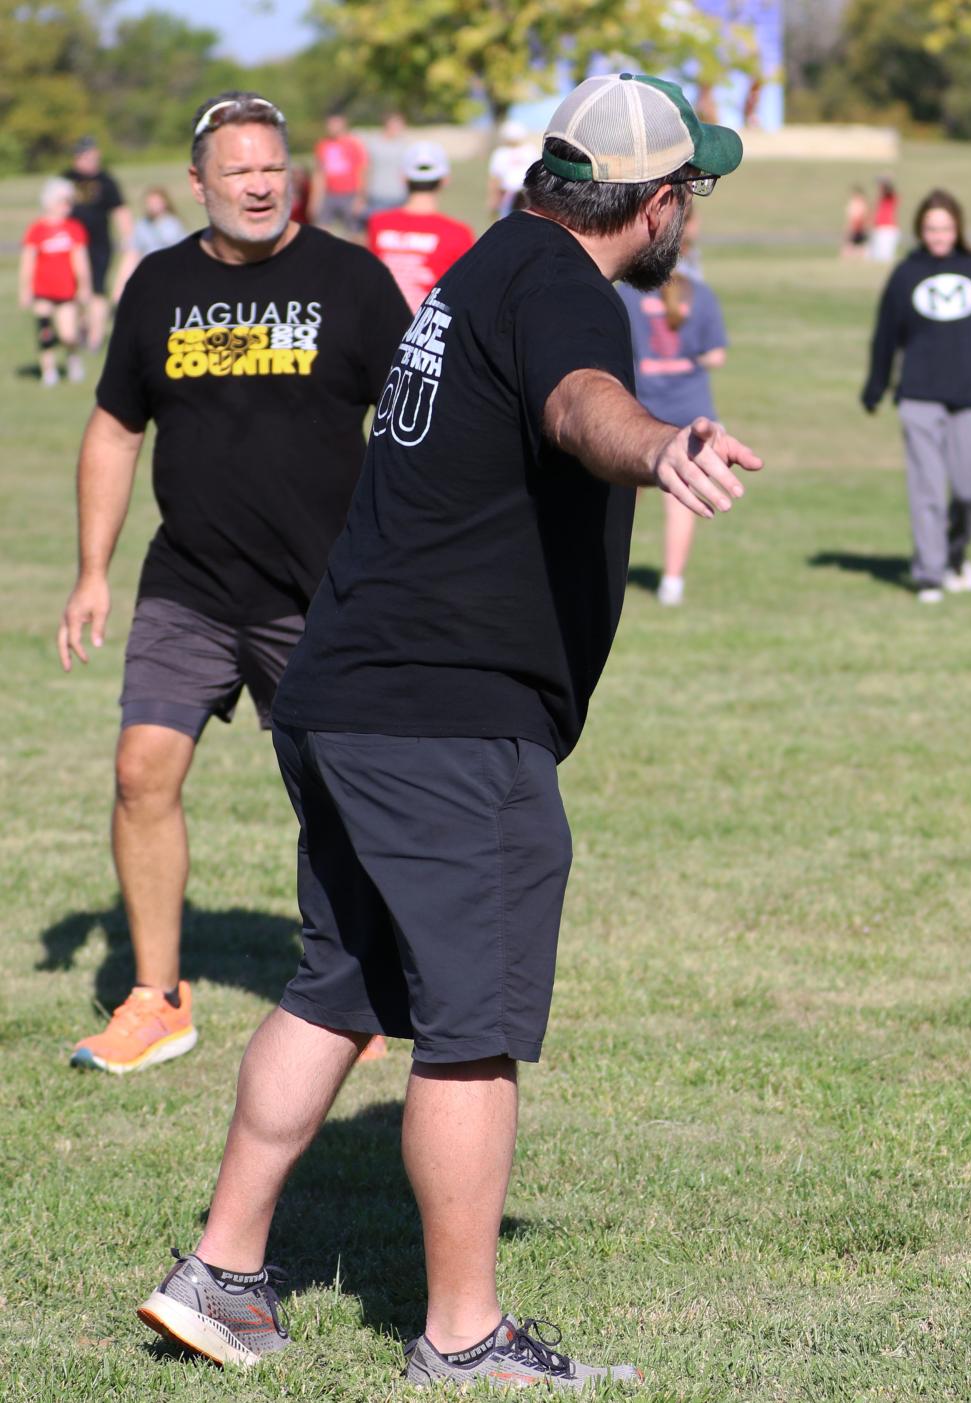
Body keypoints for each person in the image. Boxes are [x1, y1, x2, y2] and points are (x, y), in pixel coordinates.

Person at [132, 72, 761, 1385]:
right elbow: (582, 405)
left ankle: (224, 1270)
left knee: (341, 980)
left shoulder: (489, 264)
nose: (687, 215)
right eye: (686, 193)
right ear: (647, 204)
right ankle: (463, 1334)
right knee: (468, 1021)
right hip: (443, 717)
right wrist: (659, 449)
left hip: (350, 691)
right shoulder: (563, 291)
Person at [56, 91, 410, 1075]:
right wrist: (92, 571)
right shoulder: (159, 285)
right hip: (192, 582)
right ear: (198, 182)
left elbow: (417, 421)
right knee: (141, 770)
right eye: (239, 169)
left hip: (322, 589)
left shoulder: (352, 280)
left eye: (273, 166)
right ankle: (156, 996)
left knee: (346, 793)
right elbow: (117, 426)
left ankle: (357, 984)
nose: (260, 184)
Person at [862, 189, 971, 602]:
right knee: (927, 488)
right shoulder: (905, 274)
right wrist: (876, 388)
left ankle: (955, 554)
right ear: (920, 230)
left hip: (968, 395)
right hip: (919, 396)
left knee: (968, 491)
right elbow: (885, 337)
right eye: (931, 228)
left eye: (946, 227)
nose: (939, 235)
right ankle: (929, 574)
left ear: (958, 228)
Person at [622, 205, 728, 607]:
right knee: (680, 500)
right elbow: (715, 355)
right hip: (691, 411)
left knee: (620, 502)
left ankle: (607, 569)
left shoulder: (630, 293)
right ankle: (672, 582)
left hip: (640, 408)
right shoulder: (701, 296)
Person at [366, 141, 477, 312]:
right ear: (445, 180)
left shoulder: (377, 223)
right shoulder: (458, 233)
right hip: (426, 332)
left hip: (380, 326)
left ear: (403, 178)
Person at [63, 137, 133, 352]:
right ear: (78, 157)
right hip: (71, 245)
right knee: (73, 290)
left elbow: (120, 210)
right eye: (88, 157)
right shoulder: (65, 180)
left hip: (99, 244)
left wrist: (128, 239)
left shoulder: (106, 181)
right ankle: (77, 330)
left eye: (95, 157)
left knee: (97, 289)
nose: (93, 162)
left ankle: (95, 337)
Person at [20, 179, 91, 386]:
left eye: (69, 202)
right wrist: (25, 290)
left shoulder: (74, 228)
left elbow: (81, 261)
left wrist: (84, 286)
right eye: (63, 202)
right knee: (45, 331)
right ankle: (48, 371)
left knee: (68, 334)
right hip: (42, 290)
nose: (67, 206)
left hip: (66, 291)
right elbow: (28, 262)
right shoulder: (37, 230)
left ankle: (73, 357)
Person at [312, 112, 367, 237]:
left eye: (335, 123)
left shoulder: (354, 144)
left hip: (350, 194)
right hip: (329, 194)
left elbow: (362, 171)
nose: (332, 127)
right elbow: (319, 174)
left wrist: (360, 197)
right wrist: (315, 200)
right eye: (329, 124)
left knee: (354, 233)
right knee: (320, 232)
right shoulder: (323, 145)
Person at [362, 111, 411, 218]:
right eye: (395, 124)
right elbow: (365, 170)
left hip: (400, 196)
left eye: (400, 125)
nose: (398, 128)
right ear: (387, 124)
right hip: (377, 196)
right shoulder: (374, 144)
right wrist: (362, 195)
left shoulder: (405, 146)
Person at [486, 119, 539, 219]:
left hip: (525, 194)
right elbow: (496, 178)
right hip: (508, 194)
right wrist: (493, 198)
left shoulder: (530, 150)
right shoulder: (500, 153)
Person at [868, 176, 899, 262]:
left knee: (885, 256)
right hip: (879, 228)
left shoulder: (890, 197)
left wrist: (887, 181)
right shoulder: (880, 198)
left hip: (887, 229)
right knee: (875, 256)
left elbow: (890, 191)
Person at [842, 184, 869, 257]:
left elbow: (864, 216)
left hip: (860, 228)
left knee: (860, 247)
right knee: (849, 246)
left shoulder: (862, 203)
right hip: (853, 227)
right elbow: (849, 217)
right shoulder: (853, 203)